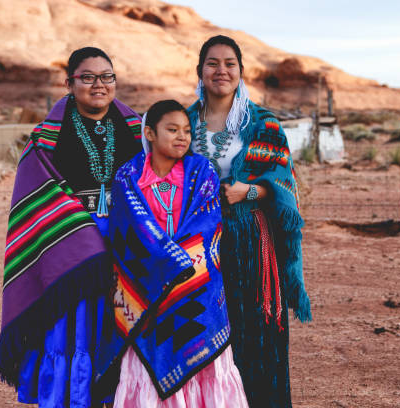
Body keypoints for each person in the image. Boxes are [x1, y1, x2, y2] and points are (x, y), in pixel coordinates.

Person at [0, 47, 143, 407]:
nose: (98, 85)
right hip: (70, 244)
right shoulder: (47, 137)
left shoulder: (138, 130)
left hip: (127, 242)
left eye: (106, 76)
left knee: (123, 321)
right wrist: (84, 236)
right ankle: (70, 398)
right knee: (73, 328)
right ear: (69, 83)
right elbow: (36, 191)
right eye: (87, 77)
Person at [186, 35, 312, 407]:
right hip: (195, 245)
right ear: (200, 70)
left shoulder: (263, 124)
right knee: (203, 335)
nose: (220, 70)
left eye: (229, 64)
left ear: (241, 72)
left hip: (250, 244)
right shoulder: (181, 121)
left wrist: (249, 192)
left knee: (256, 335)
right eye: (212, 63)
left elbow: (284, 187)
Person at [107, 100, 248, 407]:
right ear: (150, 133)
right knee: (147, 367)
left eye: (186, 130)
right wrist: (164, 264)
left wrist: (175, 266)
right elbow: (127, 234)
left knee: (204, 366)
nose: (182, 136)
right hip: (146, 291)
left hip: (195, 289)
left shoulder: (202, 172)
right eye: (172, 130)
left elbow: (207, 227)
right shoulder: (128, 177)